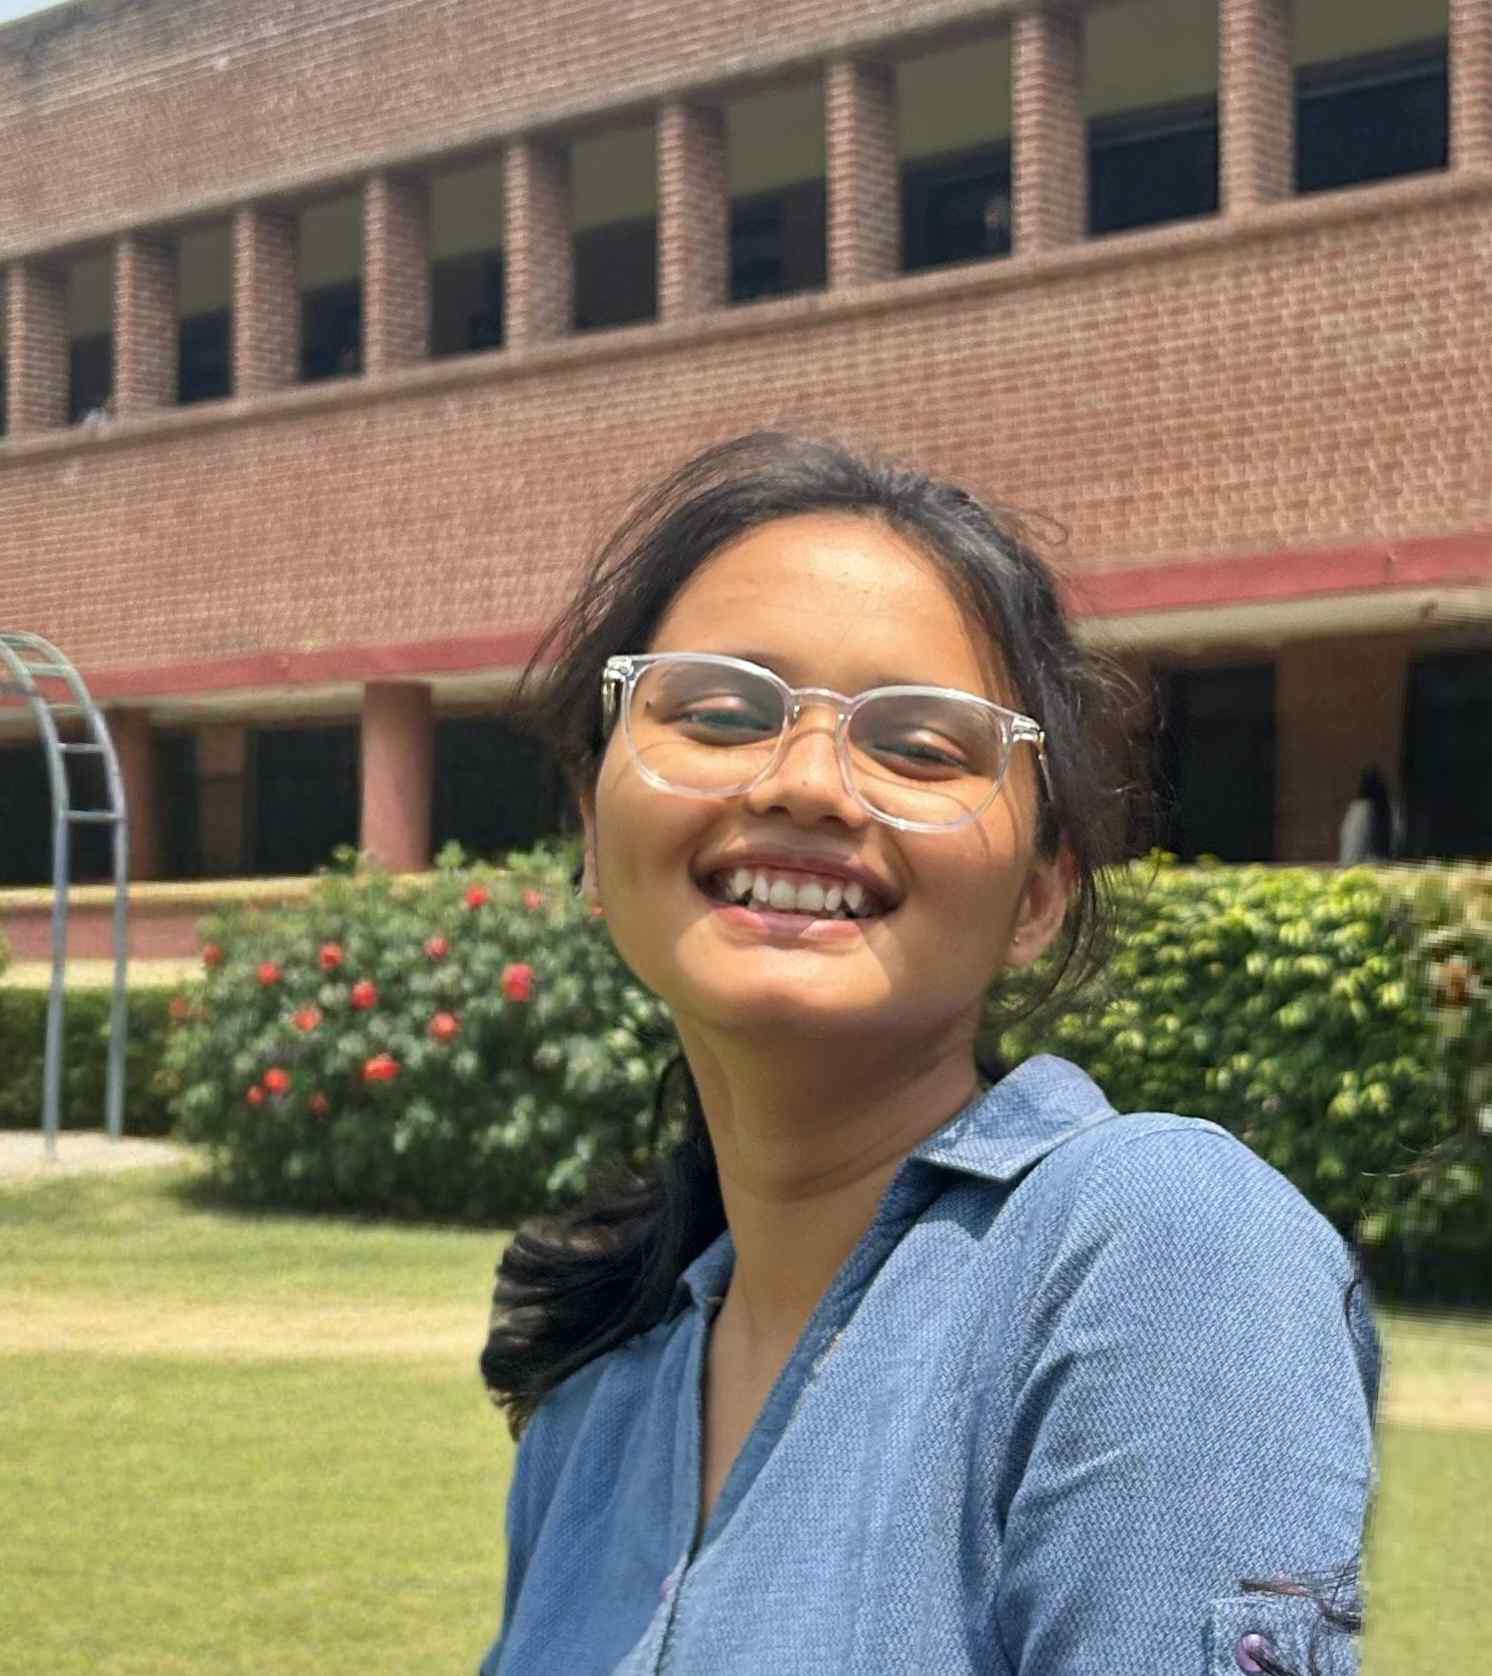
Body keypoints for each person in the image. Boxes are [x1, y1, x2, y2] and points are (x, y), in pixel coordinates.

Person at [477, 433, 1380, 1676]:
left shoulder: (1156, 1249)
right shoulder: (595, 1409)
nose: (805, 783)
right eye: (721, 711)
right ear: (591, 830)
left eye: (918, 744)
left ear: (1039, 894)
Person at [1338, 767, 1396, 865]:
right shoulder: (1390, 809)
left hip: (1363, 865)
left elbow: (1352, 844)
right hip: (1384, 864)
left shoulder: (1360, 809)